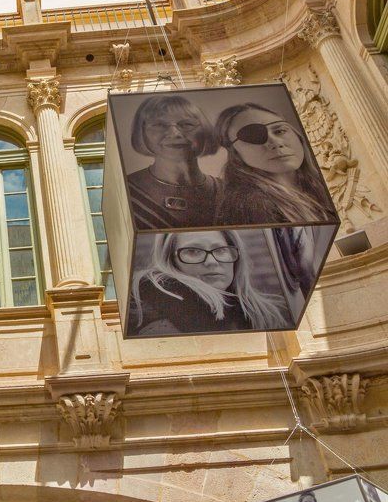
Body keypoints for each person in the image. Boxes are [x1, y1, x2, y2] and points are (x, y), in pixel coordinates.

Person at [127, 230, 290, 336]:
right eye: (193, 251)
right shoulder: (159, 324)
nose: (211, 262)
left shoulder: (268, 315)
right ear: (171, 261)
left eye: (221, 250)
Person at [215, 102, 336, 225]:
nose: (276, 143)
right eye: (253, 136)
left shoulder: (327, 182)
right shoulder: (250, 207)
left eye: (279, 131)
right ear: (234, 152)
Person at [125, 95, 222, 229]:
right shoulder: (126, 190)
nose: (175, 133)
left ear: (205, 131)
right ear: (142, 133)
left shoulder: (229, 191)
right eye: (159, 125)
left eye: (187, 124)